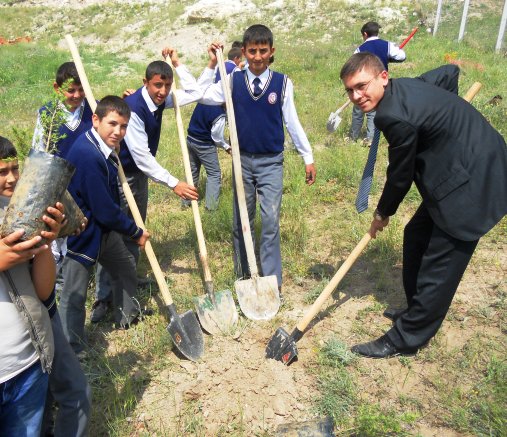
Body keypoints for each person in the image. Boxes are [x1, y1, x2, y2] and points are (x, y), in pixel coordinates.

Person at [339, 52, 507, 358]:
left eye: (362, 86)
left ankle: (406, 339)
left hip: (476, 180)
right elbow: (449, 72)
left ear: (383, 77)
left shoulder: (392, 116)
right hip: (458, 169)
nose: (356, 96)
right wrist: (444, 119)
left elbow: (400, 176)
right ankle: (417, 309)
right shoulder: (409, 86)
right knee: (416, 235)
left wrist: (382, 213)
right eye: (350, 90)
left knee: (439, 266)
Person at [200, 25, 316, 293]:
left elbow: (293, 122)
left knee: (271, 220)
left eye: (263, 51)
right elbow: (202, 94)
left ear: (272, 51)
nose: (257, 56)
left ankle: (273, 282)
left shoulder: (283, 83)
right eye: (252, 51)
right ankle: (244, 277)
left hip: (271, 163)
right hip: (241, 161)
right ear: (243, 52)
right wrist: (210, 65)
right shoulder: (232, 82)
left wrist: (307, 156)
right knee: (242, 221)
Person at [91, 47, 203, 323]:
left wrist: (177, 64)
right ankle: (103, 297)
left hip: (138, 178)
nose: (162, 91)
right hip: (120, 176)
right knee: (113, 234)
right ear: (145, 83)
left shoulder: (161, 101)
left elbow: (197, 93)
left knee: (135, 230)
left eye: (166, 85)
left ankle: (127, 280)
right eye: (157, 85)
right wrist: (174, 182)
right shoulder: (136, 109)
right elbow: (141, 157)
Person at [0, 137, 91, 436]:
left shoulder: (15, 214)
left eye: (14, 169)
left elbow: (43, 292)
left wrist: (45, 244)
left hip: (25, 364)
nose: (12, 178)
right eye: (2, 172)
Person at [59, 96, 150, 354]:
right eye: (112, 124)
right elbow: (105, 210)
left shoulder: (101, 147)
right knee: (74, 295)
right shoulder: (88, 154)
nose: (118, 132)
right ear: (95, 120)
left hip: (104, 231)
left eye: (123, 126)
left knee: (125, 268)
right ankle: (73, 348)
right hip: (83, 232)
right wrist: (135, 231)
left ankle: (126, 317)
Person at [32, 61, 93, 271]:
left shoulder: (93, 110)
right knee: (60, 225)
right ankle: (57, 272)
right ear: (57, 88)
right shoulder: (47, 115)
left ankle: (82, 262)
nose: (76, 95)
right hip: (59, 183)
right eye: (71, 90)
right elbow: (40, 150)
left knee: (84, 223)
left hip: (86, 179)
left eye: (81, 89)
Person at [182, 46, 242, 210]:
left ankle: (186, 202)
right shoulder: (219, 113)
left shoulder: (205, 100)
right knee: (214, 174)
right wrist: (227, 146)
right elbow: (216, 137)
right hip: (204, 144)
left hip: (190, 138)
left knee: (193, 171)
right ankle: (211, 207)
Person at [348, 21, 405, 144]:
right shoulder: (387, 45)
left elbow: (353, 69)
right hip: (379, 85)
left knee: (358, 110)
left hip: (363, 85)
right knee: (373, 111)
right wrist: (388, 58)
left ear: (365, 34)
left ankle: (353, 137)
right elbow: (401, 56)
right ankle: (370, 139)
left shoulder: (360, 49)